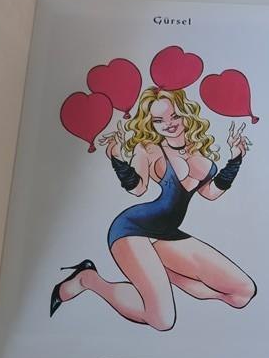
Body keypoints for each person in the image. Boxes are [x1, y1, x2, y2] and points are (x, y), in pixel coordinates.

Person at [50, 86, 256, 331]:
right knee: (162, 320)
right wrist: (117, 157)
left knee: (243, 292)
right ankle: (88, 279)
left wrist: (236, 159)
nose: (168, 124)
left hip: (167, 234)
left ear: (186, 114)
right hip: (133, 230)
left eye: (174, 116)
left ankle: (164, 275)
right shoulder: (148, 149)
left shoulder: (198, 151)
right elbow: (138, 188)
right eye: (159, 120)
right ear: (151, 124)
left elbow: (210, 193)